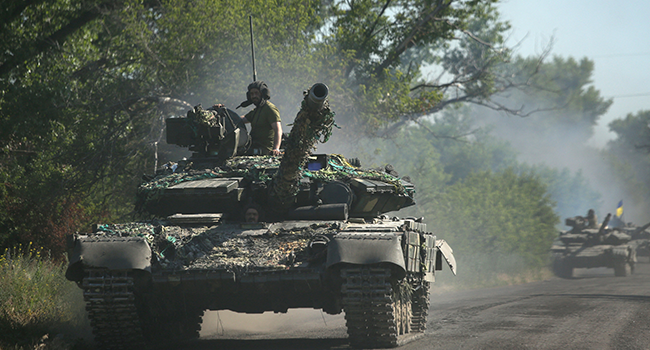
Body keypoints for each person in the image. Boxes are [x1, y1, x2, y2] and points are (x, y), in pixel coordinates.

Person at [239, 81, 282, 156]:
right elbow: (241, 120)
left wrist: (276, 148)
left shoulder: (270, 109)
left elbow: (278, 130)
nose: (254, 96)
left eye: (256, 93)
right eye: (252, 94)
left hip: (264, 150)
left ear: (263, 93)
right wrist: (224, 113)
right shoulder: (257, 110)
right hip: (253, 147)